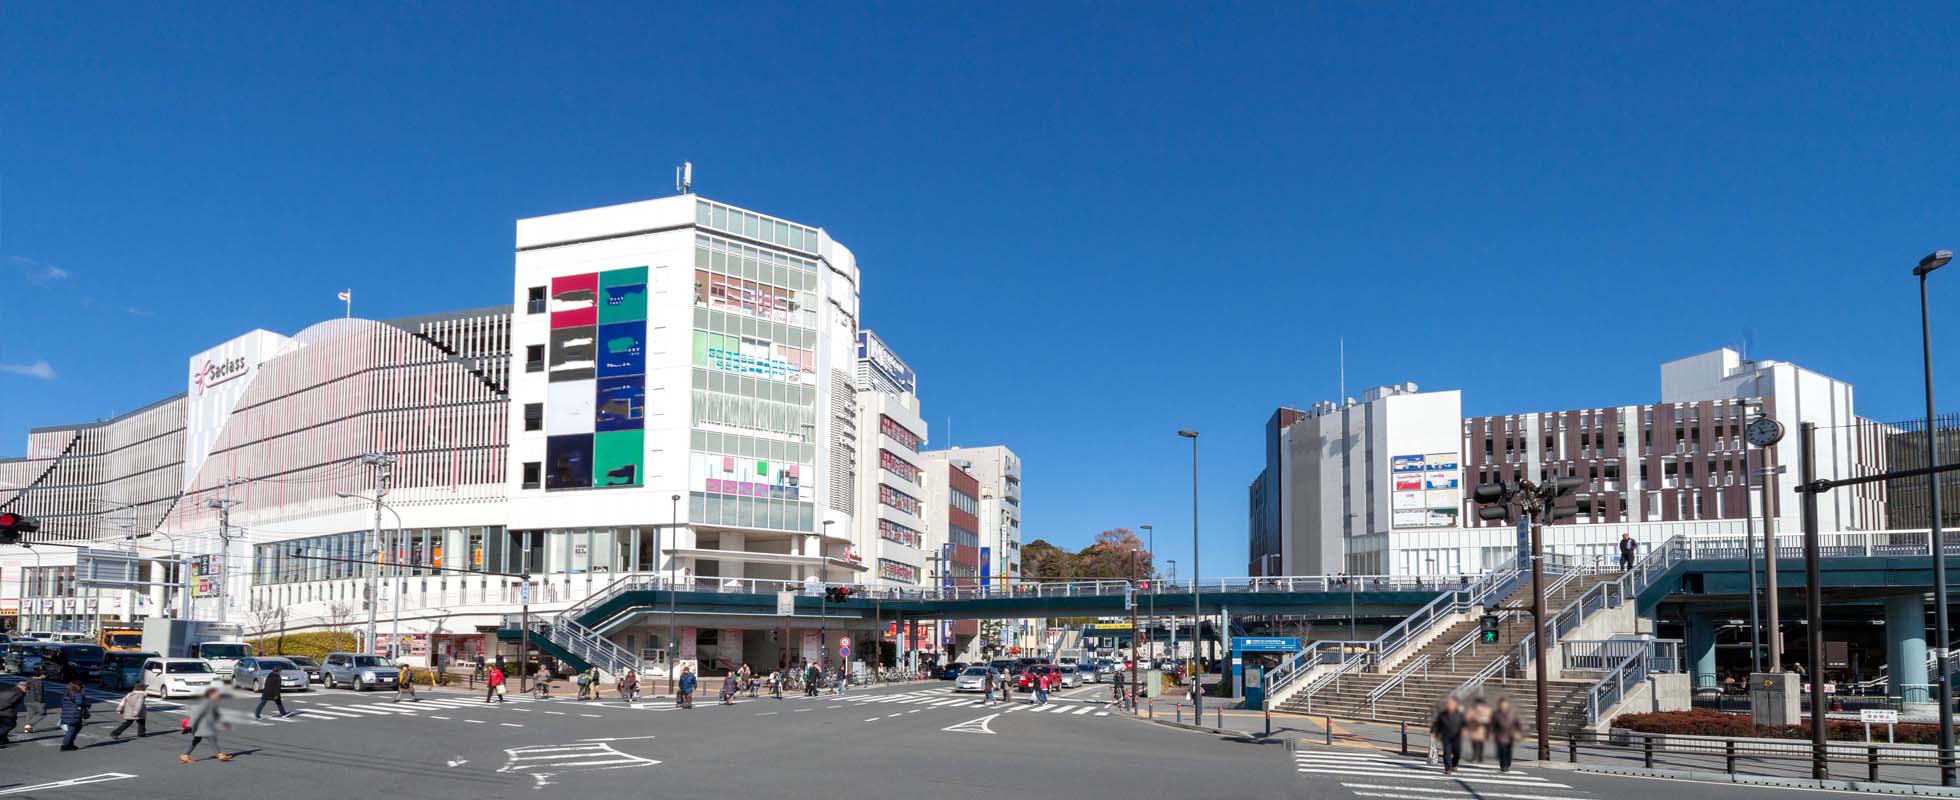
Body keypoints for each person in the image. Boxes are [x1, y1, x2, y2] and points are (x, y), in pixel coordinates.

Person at [181, 687, 231, 764]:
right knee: (211, 738)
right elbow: (196, 714)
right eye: (216, 694)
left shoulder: (213, 702)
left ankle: (184, 755)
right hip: (202, 725)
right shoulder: (206, 703)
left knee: (197, 740)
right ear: (210, 695)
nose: (218, 695)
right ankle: (220, 755)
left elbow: (216, 714)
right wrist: (189, 726)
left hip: (206, 725)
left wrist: (223, 723)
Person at [1431, 696, 1466, 774]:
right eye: (1447, 703)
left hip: (1457, 737)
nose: (1448, 705)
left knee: (1457, 753)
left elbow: (1464, 724)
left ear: (1455, 704)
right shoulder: (1442, 714)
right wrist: (1433, 731)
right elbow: (1437, 724)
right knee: (1447, 752)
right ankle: (1448, 768)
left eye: (1450, 703)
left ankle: (1454, 765)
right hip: (1446, 736)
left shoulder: (1460, 714)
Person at [57, 678, 89, 751]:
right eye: (81, 686)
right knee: (72, 730)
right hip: (74, 714)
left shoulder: (67, 692)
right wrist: (87, 704)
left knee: (76, 728)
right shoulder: (77, 693)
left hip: (67, 713)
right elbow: (80, 703)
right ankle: (65, 746)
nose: (83, 687)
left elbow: (62, 703)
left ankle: (70, 744)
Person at [1492, 697, 1522, 772]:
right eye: (1502, 705)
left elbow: (1517, 724)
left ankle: (1507, 764)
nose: (1503, 706)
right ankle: (1503, 765)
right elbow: (1493, 724)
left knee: (1508, 751)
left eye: (1505, 705)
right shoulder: (1496, 713)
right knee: (1501, 751)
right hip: (1500, 736)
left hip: (1509, 735)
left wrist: (1518, 731)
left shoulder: (1512, 713)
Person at [1465, 698, 1490, 763]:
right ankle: (1474, 756)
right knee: (1474, 743)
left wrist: (1482, 719)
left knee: (1481, 743)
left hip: (1482, 729)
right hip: (1474, 728)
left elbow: (1489, 718)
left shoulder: (1486, 710)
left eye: (1480, 704)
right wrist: (1474, 718)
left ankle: (1480, 757)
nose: (1478, 705)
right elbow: (1467, 718)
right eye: (1477, 704)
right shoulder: (1472, 709)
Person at [0, 678, 24, 748]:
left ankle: (3, 740)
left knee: (3, 725)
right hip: (4, 712)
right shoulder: (17, 693)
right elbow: (6, 703)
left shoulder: (12, 690)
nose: (27, 690)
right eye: (27, 688)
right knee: (10, 724)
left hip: (3, 711)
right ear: (22, 687)